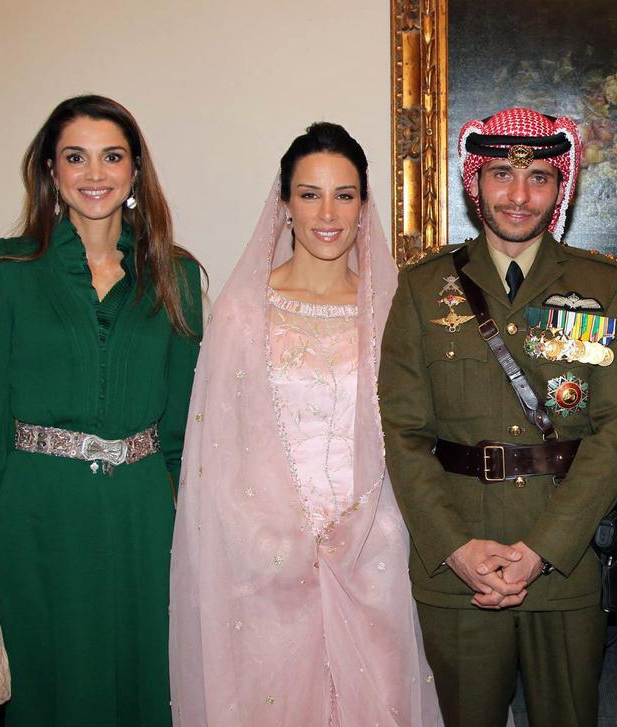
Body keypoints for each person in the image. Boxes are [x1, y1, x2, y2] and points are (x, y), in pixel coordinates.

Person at [378, 106, 617, 727]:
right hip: (459, 565)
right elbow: (404, 433)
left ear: (561, 187)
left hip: (564, 559)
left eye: (539, 179)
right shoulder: (424, 287)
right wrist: (455, 547)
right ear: (475, 181)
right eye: (501, 174)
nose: (519, 196)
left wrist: (543, 550)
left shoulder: (602, 285)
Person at [169, 123, 440, 726]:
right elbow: (219, 452)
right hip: (266, 555)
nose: (327, 212)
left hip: (373, 549)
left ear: (364, 206)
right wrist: (273, 539)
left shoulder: (393, 311)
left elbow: (411, 435)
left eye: (344, 195)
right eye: (309, 193)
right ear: (285, 203)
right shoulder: (243, 311)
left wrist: (372, 530)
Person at [0, 95, 202, 726]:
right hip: (38, 511)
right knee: (47, 681)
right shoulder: (8, 270)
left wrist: (197, 530)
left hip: (142, 514)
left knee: (145, 679)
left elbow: (184, 429)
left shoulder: (177, 275)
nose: (96, 173)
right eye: (76, 157)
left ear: (135, 171)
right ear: (51, 173)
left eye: (112, 156)